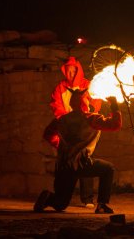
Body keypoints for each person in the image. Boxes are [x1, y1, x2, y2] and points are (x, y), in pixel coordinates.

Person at [34, 89, 122, 214]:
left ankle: (48, 197)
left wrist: (61, 146)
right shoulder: (90, 118)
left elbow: (48, 134)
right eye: (87, 98)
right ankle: (102, 205)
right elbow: (115, 125)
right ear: (83, 103)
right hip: (80, 163)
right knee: (108, 169)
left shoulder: (61, 120)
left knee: (60, 204)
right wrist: (114, 104)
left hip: (63, 165)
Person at [44, 56, 101, 208]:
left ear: (78, 71)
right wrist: (66, 119)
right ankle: (59, 195)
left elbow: (95, 103)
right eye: (67, 71)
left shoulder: (87, 85)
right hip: (68, 129)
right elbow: (56, 105)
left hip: (82, 129)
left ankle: (87, 198)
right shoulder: (60, 88)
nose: (70, 74)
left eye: (72, 71)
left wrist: (87, 114)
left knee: (84, 160)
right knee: (63, 162)